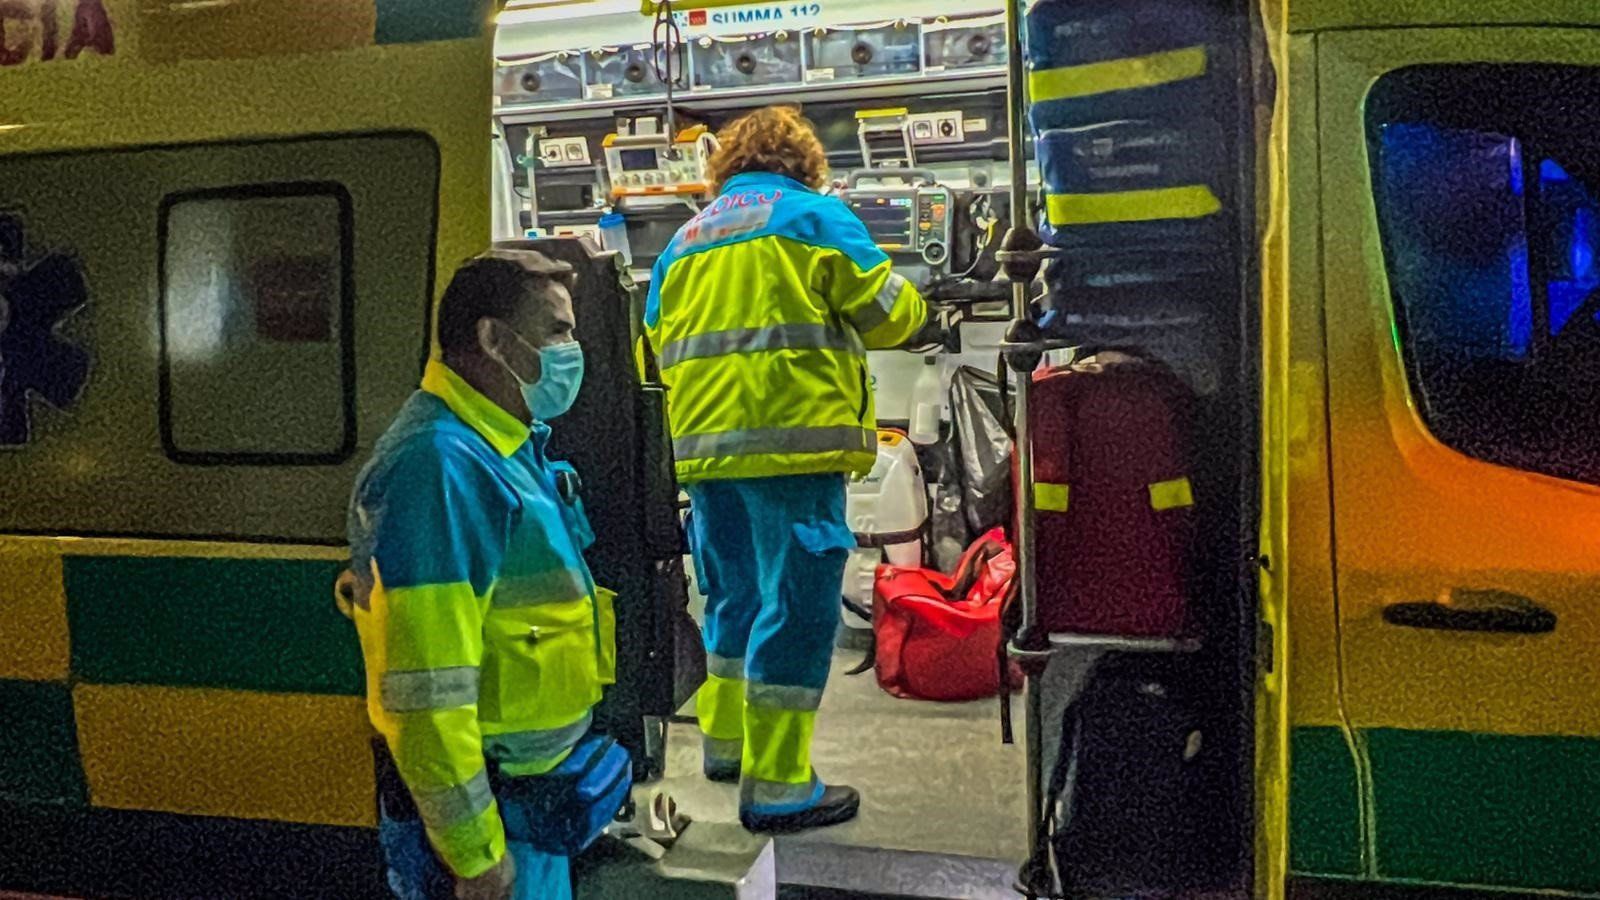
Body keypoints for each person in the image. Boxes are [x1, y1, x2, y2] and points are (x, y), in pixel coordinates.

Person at [645, 106, 929, 832]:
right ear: (804, 161)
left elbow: (650, 339)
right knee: (797, 610)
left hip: (705, 452)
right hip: (792, 444)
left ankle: (724, 747)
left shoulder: (683, 241)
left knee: (733, 598)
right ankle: (777, 787)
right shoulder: (813, 218)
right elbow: (892, 316)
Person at [347, 249, 610, 899]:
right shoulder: (438, 465)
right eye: (557, 331)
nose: (571, 350)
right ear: (495, 340)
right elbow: (426, 696)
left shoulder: (506, 443)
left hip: (532, 806)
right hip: (493, 827)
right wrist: (476, 856)